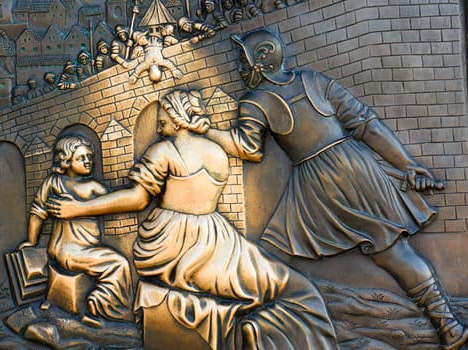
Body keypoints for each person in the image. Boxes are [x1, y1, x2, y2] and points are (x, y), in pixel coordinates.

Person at [201, 29, 468, 350]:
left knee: (272, 252)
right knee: (394, 253)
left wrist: (205, 130)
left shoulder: (256, 101)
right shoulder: (314, 80)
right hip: (359, 168)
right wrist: (405, 164)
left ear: (261, 60)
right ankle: (449, 325)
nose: (239, 68)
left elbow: (248, 148)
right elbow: (366, 123)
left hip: (319, 181)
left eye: (242, 59)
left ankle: (279, 325)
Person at [47, 90, 339, 350]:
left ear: (177, 117)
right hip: (218, 238)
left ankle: (248, 329)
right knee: (288, 286)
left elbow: (137, 199)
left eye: (163, 116)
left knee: (262, 284)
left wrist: (77, 209)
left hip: (170, 245)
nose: (159, 123)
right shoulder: (217, 152)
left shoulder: (164, 151)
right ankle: (262, 328)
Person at [18, 136, 133, 328]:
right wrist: (31, 241)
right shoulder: (54, 183)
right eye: (81, 158)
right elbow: (38, 211)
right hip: (69, 250)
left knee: (113, 262)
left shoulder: (94, 187)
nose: (88, 161)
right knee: (118, 264)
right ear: (67, 160)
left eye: (90, 156)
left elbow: (114, 203)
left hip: (81, 250)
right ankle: (98, 309)